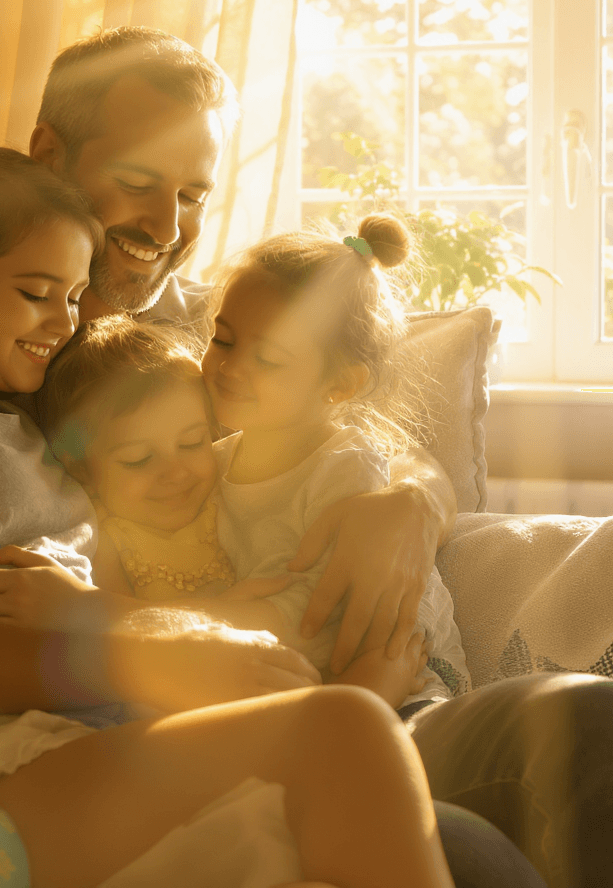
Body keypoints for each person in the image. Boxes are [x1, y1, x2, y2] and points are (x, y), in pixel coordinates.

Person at [0, 27, 613, 887]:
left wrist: (410, 502)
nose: (167, 227)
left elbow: (353, 437)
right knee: (467, 847)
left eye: (193, 194)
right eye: (137, 183)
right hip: (236, 725)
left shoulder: (200, 332)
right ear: (48, 155)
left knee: (595, 715)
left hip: (338, 696)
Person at [0, 145, 456, 887]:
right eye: (37, 293)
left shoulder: (32, 414)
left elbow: (312, 432)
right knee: (344, 729)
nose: (63, 323)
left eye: (74, 296)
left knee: (403, 815)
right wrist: (144, 659)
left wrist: (414, 491)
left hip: (87, 733)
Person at [29, 306, 439, 714]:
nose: (176, 473)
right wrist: (224, 613)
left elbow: (310, 591)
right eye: (138, 459)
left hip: (284, 664)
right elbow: (125, 634)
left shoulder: (226, 485)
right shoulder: (106, 539)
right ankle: (355, 713)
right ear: (81, 468)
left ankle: (356, 710)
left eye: (193, 443)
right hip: (196, 684)